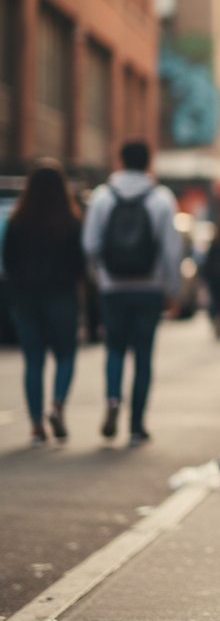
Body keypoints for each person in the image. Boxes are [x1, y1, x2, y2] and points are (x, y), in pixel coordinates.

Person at [82, 140, 181, 446]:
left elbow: (89, 245)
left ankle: (113, 399)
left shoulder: (102, 197)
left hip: (113, 288)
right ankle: (137, 425)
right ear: (148, 163)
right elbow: (171, 249)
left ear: (120, 161)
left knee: (114, 349)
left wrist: (101, 277)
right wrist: (172, 289)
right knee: (143, 355)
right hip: (149, 288)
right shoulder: (161, 199)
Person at [2, 160, 85, 445]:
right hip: (61, 295)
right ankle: (58, 404)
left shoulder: (17, 221)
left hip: (25, 298)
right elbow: (79, 264)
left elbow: (9, 262)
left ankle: (36, 426)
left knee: (33, 361)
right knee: (66, 355)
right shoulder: (71, 222)